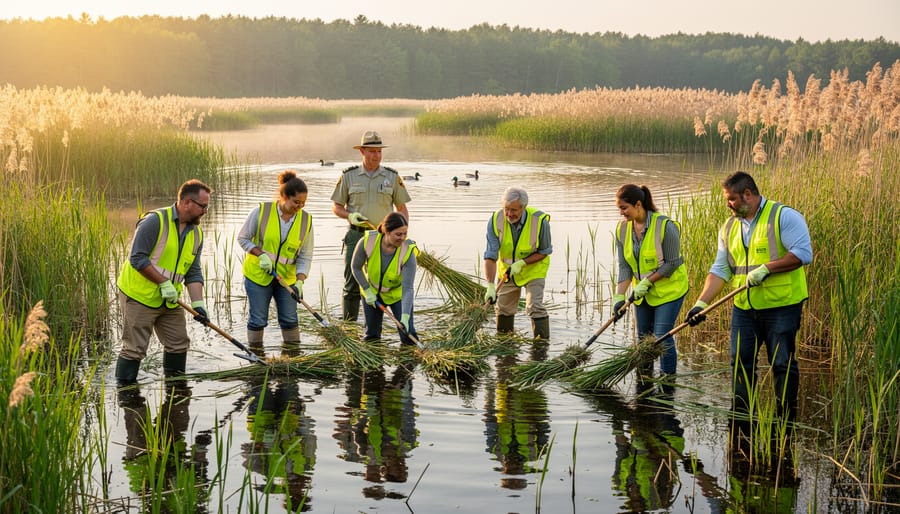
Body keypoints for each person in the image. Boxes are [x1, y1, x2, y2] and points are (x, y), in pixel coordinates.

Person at [685, 171, 812, 426]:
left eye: (731, 199)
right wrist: (701, 303)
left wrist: (767, 268)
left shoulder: (783, 216)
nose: (727, 204)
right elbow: (720, 269)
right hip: (744, 309)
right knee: (740, 364)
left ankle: (785, 421)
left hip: (782, 306)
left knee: (781, 364)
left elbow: (803, 254)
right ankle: (742, 422)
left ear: (748, 194)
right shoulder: (729, 227)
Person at [115, 179, 212, 384]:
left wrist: (198, 304)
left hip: (170, 299)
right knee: (134, 348)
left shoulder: (197, 233)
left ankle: (176, 389)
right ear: (187, 203)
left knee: (178, 343)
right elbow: (137, 258)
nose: (205, 211)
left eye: (207, 206)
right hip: (139, 295)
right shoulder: (155, 221)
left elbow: (193, 271)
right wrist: (163, 283)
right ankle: (125, 393)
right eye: (203, 206)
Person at [331, 130, 411, 322]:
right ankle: (349, 328)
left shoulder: (392, 177)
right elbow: (336, 207)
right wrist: (350, 216)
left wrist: (403, 234)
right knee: (351, 282)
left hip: (383, 239)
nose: (376, 155)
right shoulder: (348, 176)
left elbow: (402, 209)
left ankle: (374, 326)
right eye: (372, 151)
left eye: (379, 151)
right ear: (362, 152)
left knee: (381, 282)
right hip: (356, 236)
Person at [612, 184, 689, 376]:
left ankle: (667, 382)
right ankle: (644, 379)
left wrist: (647, 282)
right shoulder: (622, 230)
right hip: (642, 295)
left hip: (669, 290)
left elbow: (671, 264)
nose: (621, 213)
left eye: (624, 208)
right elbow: (625, 267)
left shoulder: (665, 226)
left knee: (662, 337)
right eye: (619, 208)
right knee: (643, 339)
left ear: (638, 204)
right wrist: (619, 297)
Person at [238, 170, 314, 350]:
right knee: (258, 319)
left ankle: (293, 359)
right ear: (283, 196)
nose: (300, 206)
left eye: (303, 203)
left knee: (289, 319)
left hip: (286, 280)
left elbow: (305, 255)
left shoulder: (306, 220)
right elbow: (243, 238)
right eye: (296, 202)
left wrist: (300, 281)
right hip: (257, 276)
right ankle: (256, 357)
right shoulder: (261, 212)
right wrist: (260, 254)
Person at [483, 187, 553, 339]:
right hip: (507, 272)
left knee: (534, 307)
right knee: (503, 309)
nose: (509, 214)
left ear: (524, 207)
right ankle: (504, 346)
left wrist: (521, 263)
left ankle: (540, 348)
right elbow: (490, 255)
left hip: (533, 270)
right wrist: (490, 285)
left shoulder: (539, 221)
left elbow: (545, 251)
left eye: (514, 210)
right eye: (506, 209)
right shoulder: (496, 220)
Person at [351, 212, 419, 346]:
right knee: (372, 335)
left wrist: (405, 316)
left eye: (405, 233)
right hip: (371, 292)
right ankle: (374, 364)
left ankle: (411, 362)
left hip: (396, 295)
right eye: (398, 234)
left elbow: (408, 288)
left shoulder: (408, 251)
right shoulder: (367, 242)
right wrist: (367, 290)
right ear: (386, 231)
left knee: (408, 333)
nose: (402, 238)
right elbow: (355, 268)